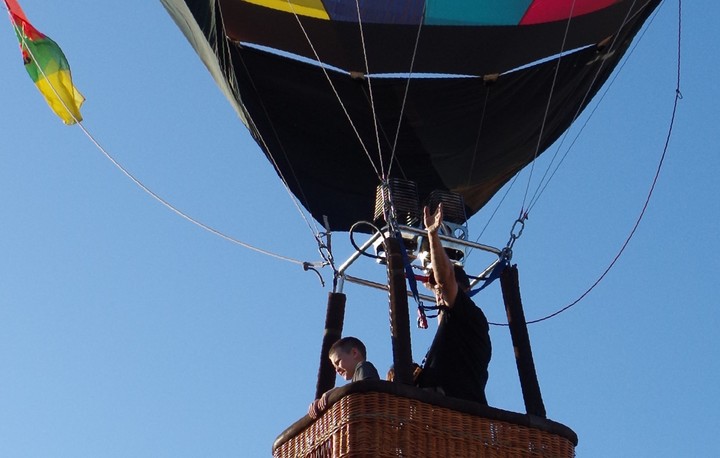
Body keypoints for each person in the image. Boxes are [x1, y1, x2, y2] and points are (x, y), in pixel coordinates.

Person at [415, 203, 492, 404]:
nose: (438, 297)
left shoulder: (469, 316)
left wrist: (432, 235)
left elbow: (446, 279)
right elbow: (441, 286)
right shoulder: (454, 327)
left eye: (440, 292)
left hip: (458, 411)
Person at [308, 336, 379, 419]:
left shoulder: (364, 367)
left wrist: (335, 393)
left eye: (338, 362)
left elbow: (366, 396)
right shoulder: (356, 378)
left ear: (354, 353)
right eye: (335, 367)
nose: (337, 369)